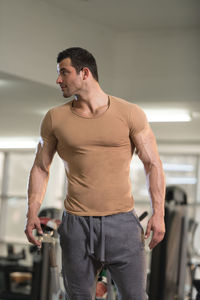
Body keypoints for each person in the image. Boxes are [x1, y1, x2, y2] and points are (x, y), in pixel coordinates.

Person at [25, 47, 165, 300]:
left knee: (135, 297)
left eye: (64, 73)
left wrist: (159, 213)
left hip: (122, 224)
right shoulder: (55, 118)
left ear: (85, 73)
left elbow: (153, 163)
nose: (58, 80)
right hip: (76, 225)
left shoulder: (129, 113)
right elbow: (40, 167)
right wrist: (32, 210)